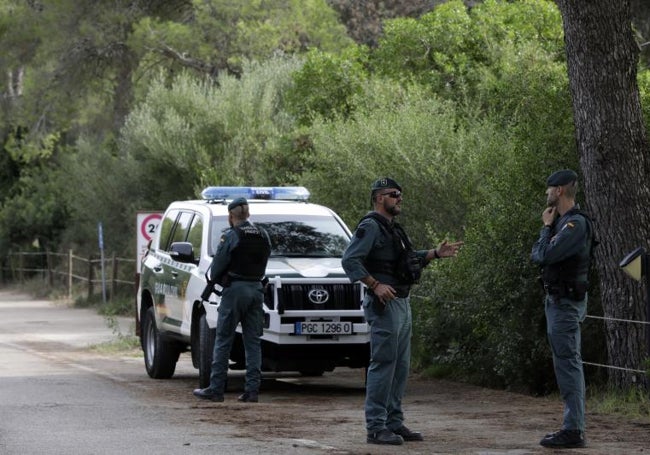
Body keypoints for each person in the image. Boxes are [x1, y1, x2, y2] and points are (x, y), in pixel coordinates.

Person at [342, 177, 463, 445]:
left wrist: (433, 253)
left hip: (402, 302)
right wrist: (374, 285)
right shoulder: (370, 226)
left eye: (400, 195)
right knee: (384, 364)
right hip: (385, 305)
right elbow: (349, 259)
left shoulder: (393, 230)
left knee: (400, 367)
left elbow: (404, 262)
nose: (399, 198)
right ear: (378, 198)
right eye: (393, 194)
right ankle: (376, 427)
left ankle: (394, 422)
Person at [531, 169, 595, 449]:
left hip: (566, 304)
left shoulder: (574, 225)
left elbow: (543, 255)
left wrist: (545, 229)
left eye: (549, 190)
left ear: (559, 191)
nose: (546, 195)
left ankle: (573, 429)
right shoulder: (564, 222)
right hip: (557, 301)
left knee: (568, 363)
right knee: (565, 362)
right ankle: (572, 426)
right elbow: (538, 255)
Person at [193, 197, 271, 403]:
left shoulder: (231, 236)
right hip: (256, 290)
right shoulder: (263, 234)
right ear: (248, 214)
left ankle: (216, 389)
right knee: (253, 342)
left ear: (230, 216)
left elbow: (217, 266)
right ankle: (252, 391)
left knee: (224, 339)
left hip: (235, 291)